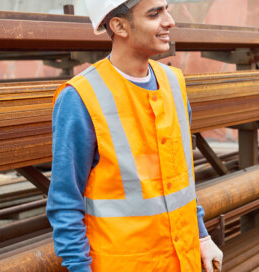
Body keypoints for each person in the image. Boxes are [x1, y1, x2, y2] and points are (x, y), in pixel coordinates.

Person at [47, 0, 223, 271]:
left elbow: (181, 182)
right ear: (118, 26)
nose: (169, 22)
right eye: (155, 14)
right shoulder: (81, 98)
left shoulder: (174, 84)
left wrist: (201, 235)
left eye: (167, 9)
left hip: (182, 260)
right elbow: (65, 203)